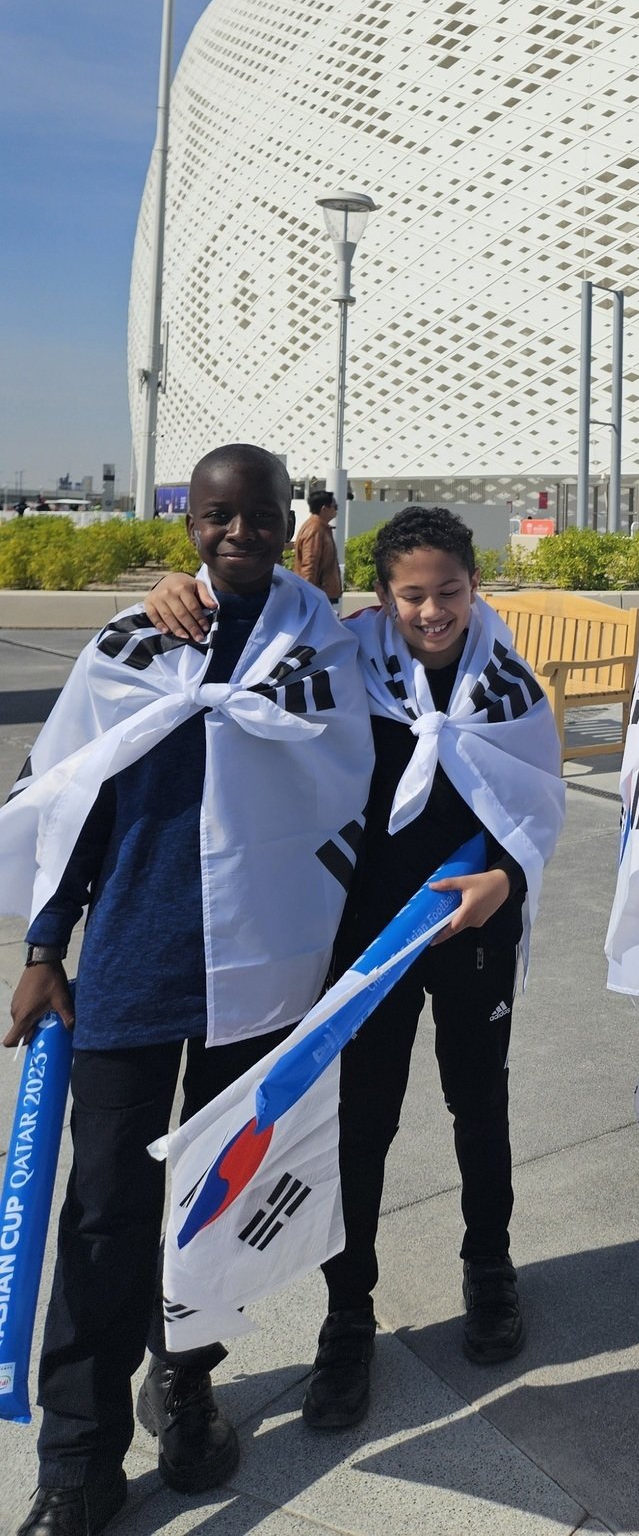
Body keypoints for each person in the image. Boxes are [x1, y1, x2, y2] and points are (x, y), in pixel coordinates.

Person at [1, 446, 371, 1536]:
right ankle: (77, 1456)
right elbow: (75, 791)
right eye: (217, 516)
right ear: (192, 523)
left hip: (262, 973)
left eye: (257, 513)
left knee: (217, 1207)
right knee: (107, 1214)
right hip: (133, 963)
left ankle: (189, 1387)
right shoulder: (136, 638)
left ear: (282, 517)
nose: (239, 532)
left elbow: (366, 762)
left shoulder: (323, 645)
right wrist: (43, 943)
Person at [143, 507, 566, 1429]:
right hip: (369, 936)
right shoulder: (347, 656)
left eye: (450, 591)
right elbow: (265, 616)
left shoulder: (508, 681)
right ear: (384, 596)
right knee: (359, 1126)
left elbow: (537, 800)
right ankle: (349, 1314)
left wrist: (504, 876)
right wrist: (186, 591)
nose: (432, 611)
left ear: (474, 585)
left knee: (477, 1103)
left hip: (474, 923)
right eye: (412, 594)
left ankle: (489, 1269)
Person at [295, 490, 342, 602]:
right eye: (335, 506)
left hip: (320, 593)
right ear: (324, 509)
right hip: (318, 595)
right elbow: (309, 564)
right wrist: (308, 596)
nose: (336, 510)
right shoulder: (315, 529)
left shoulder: (320, 527)